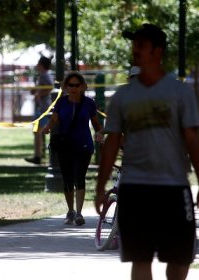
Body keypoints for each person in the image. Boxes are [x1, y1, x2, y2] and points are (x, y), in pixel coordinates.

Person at [95, 23, 199, 280]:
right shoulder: (122, 96)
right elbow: (111, 144)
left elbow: (192, 140)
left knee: (179, 258)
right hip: (134, 189)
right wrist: (100, 187)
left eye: (141, 45)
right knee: (140, 258)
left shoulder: (180, 92)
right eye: (134, 45)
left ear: (157, 51)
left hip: (174, 187)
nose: (135, 50)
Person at [43, 71, 103, 225]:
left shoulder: (89, 103)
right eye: (71, 85)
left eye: (77, 85)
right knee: (68, 179)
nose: (74, 88)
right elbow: (55, 119)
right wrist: (47, 127)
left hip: (84, 145)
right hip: (65, 145)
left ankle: (79, 213)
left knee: (80, 177)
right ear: (66, 87)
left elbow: (96, 124)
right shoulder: (61, 102)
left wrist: (100, 133)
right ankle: (70, 210)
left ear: (82, 86)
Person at [25, 56, 54, 164]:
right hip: (41, 107)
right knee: (38, 131)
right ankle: (39, 154)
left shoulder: (44, 75)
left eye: (38, 63)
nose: (36, 65)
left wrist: (39, 93)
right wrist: (36, 91)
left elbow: (50, 87)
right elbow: (45, 87)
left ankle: (38, 156)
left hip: (43, 108)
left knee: (38, 131)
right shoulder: (42, 75)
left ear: (41, 65)